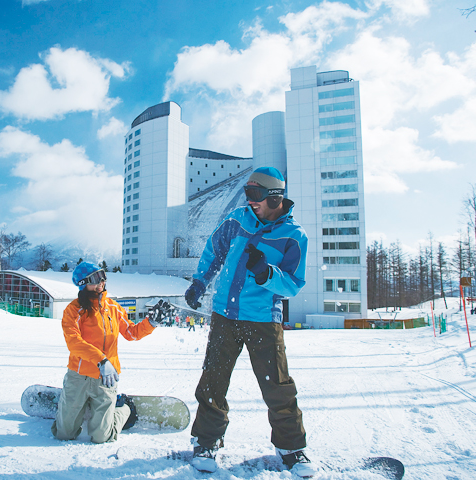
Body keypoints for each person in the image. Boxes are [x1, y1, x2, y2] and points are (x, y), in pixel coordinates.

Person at [184, 166, 316, 477]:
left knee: (277, 386)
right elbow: (213, 252)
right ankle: (207, 441)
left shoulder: (294, 236)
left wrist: (267, 274)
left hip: (262, 320)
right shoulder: (237, 220)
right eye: (247, 193)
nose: (250, 201)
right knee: (213, 379)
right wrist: (200, 282)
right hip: (225, 315)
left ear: (275, 197)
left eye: (255, 195)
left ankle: (291, 448)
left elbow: (294, 284)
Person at [51, 262, 167, 443]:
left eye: (102, 276)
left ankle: (124, 408)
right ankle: (70, 405)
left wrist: (151, 323)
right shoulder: (73, 311)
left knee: (101, 437)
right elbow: (74, 343)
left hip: (106, 378)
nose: (101, 282)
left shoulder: (113, 308)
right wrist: (101, 360)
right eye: (95, 279)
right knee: (64, 434)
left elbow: (131, 333)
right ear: (83, 284)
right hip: (79, 375)